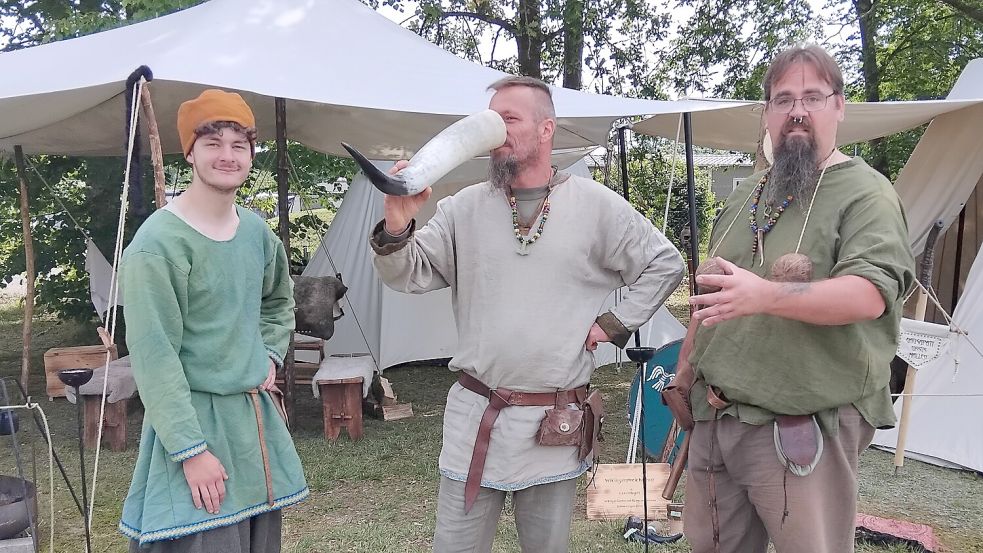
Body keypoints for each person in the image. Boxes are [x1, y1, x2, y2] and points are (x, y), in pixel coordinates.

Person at [370, 75, 684, 552]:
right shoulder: (464, 209)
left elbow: (666, 263)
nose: (496, 131)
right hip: (476, 417)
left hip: (553, 425)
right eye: (490, 121)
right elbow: (407, 273)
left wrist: (613, 324)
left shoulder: (595, 206)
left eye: (508, 119)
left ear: (546, 130)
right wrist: (397, 222)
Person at [679, 45, 916, 553]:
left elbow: (869, 295)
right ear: (766, 112)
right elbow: (711, 294)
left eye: (812, 96)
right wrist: (685, 372)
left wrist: (765, 294)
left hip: (801, 428)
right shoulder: (749, 194)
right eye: (783, 99)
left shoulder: (866, 194)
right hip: (717, 416)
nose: (797, 111)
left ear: (839, 106)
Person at [118, 89, 308, 551]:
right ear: (190, 152)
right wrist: (192, 451)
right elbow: (154, 357)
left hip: (254, 427)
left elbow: (279, 301)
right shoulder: (157, 245)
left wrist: (268, 351)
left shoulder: (257, 234)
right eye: (213, 143)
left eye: (238, 145)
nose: (228, 156)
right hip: (195, 426)